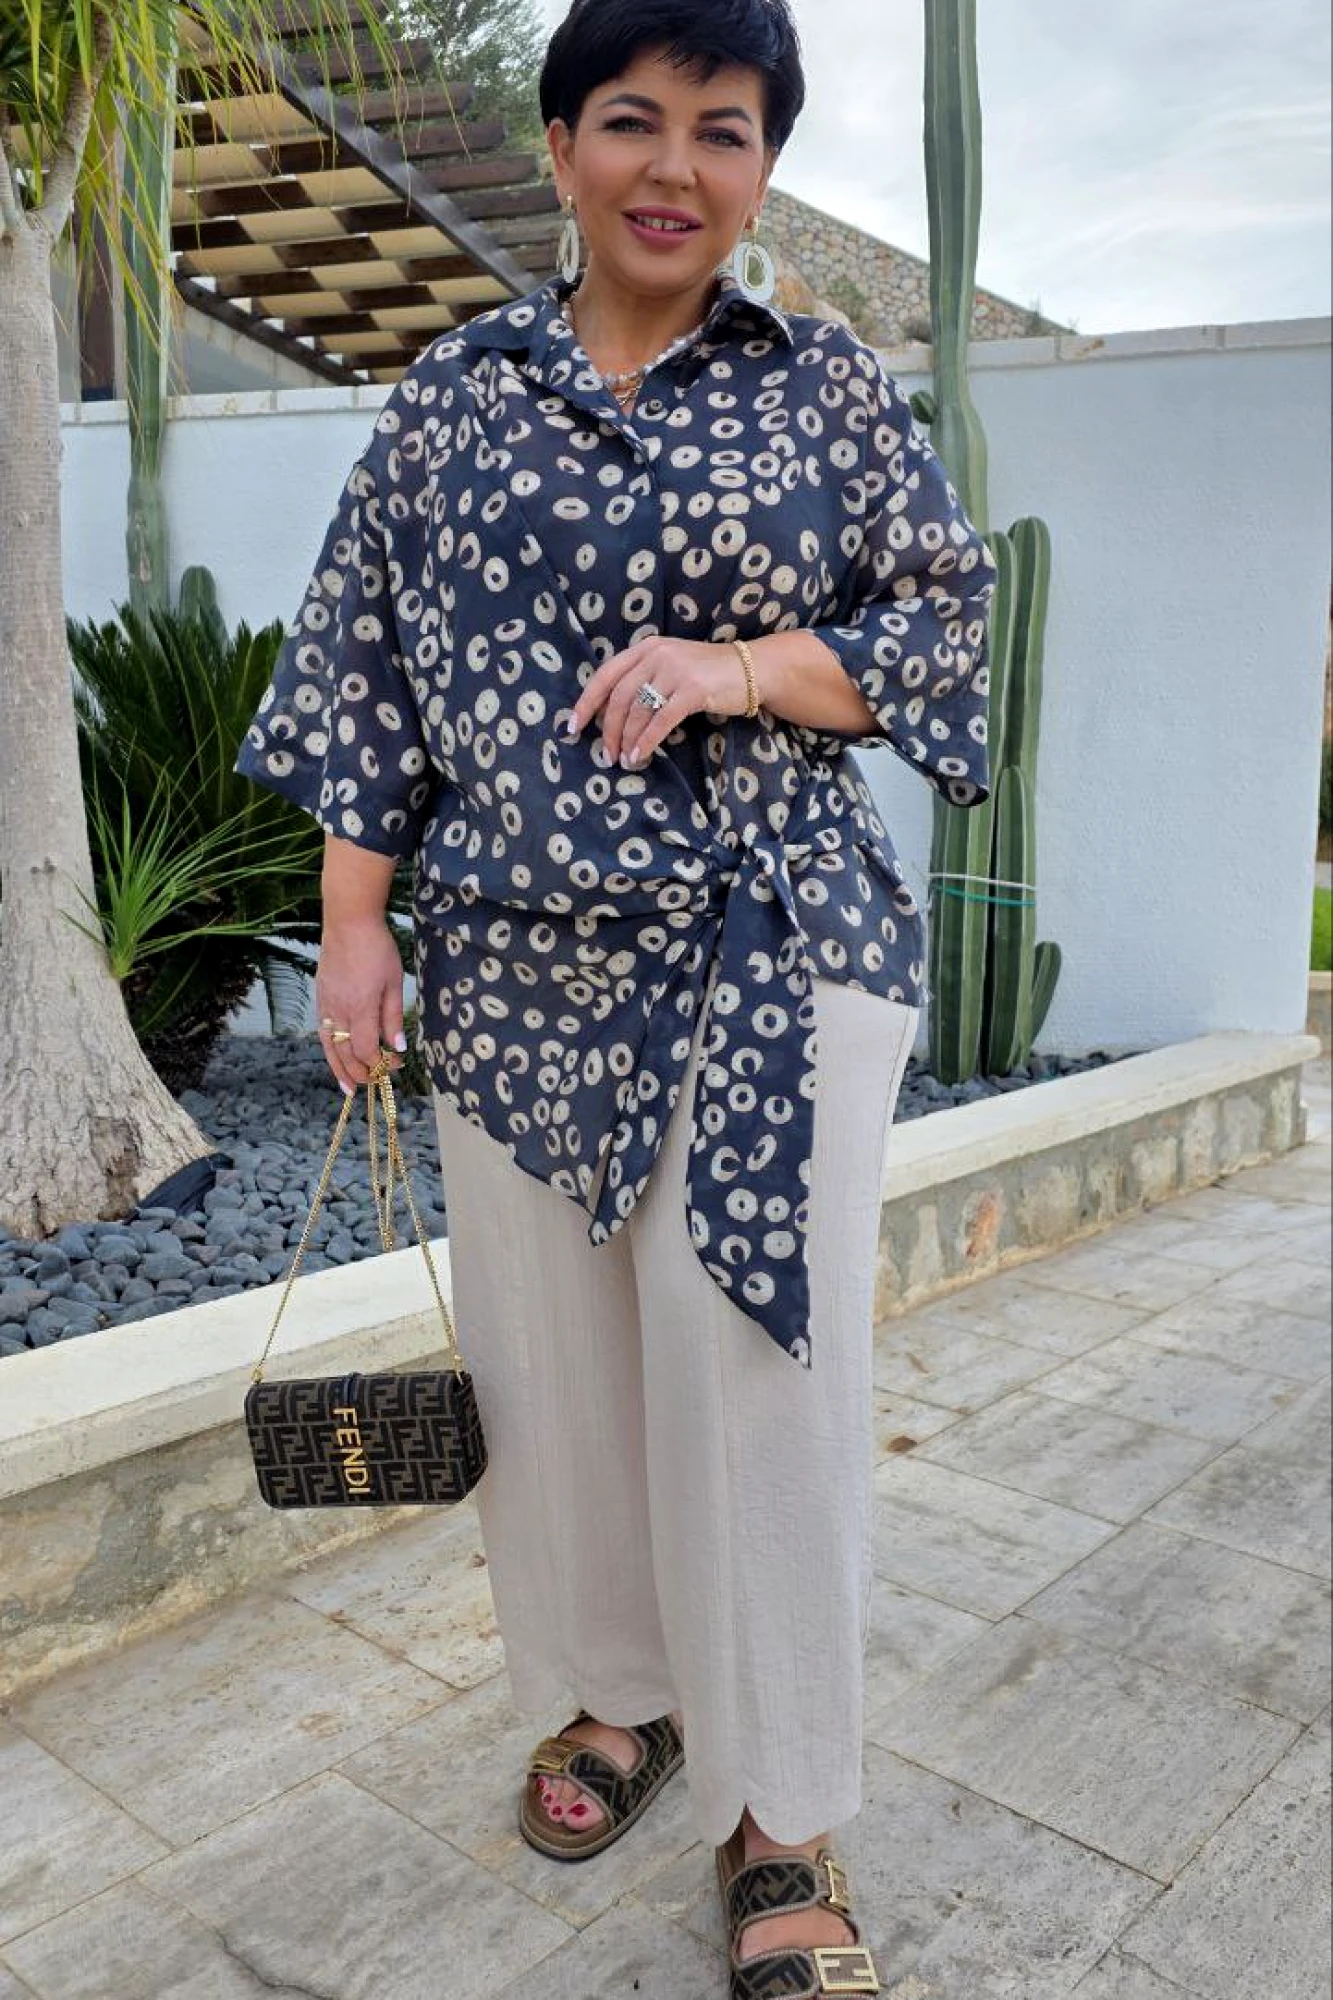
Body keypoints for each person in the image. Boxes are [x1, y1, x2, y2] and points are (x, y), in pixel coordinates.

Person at [237, 1, 995, 1989]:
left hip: (772, 957)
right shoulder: (452, 396)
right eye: (636, 120)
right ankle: (619, 1698)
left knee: (758, 1391)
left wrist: (734, 670)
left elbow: (944, 620)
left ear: (765, 167)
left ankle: (783, 1807)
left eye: (725, 129)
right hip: (511, 974)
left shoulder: (824, 386)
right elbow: (366, 665)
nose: (677, 166)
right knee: (555, 1377)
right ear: (564, 143)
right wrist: (356, 924)